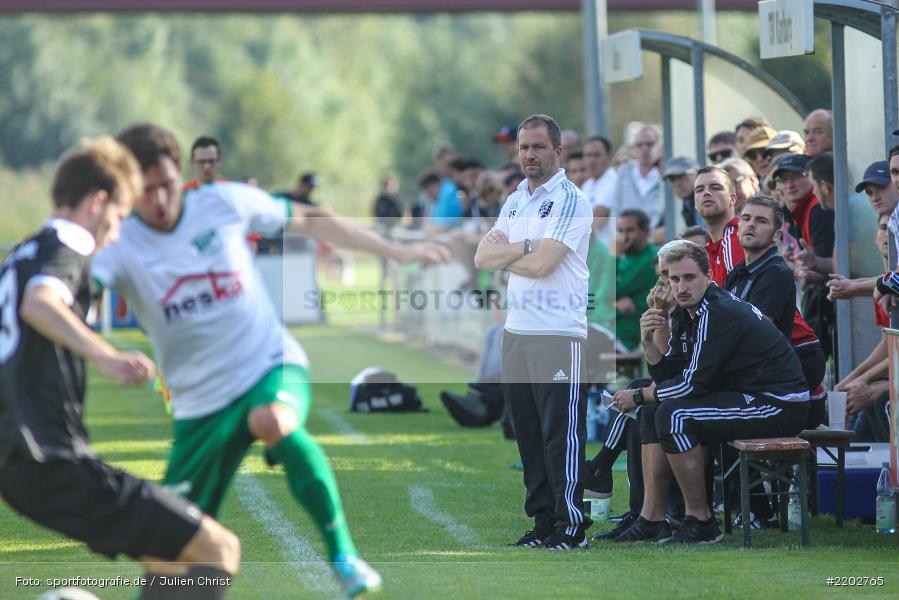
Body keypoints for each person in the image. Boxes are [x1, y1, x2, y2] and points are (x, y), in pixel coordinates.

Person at [92, 123, 448, 596]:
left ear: (180, 172)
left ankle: (342, 555)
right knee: (166, 559)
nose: (159, 200)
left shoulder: (223, 202)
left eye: (166, 185)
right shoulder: (118, 242)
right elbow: (71, 298)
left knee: (271, 420)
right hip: (199, 405)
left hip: (268, 364)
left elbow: (311, 218)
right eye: (146, 190)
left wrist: (397, 251)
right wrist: (97, 351)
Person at [0, 138, 240, 600]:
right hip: (52, 460)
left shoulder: (18, 259)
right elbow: (40, 303)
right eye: (118, 216)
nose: (116, 233)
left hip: (22, 463)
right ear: (97, 202)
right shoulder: (68, 241)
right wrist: (106, 356)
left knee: (170, 564)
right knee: (218, 549)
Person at [611, 240, 809, 544]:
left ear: (708, 276)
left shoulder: (718, 310)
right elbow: (670, 376)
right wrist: (649, 342)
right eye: (674, 279)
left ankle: (700, 521)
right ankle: (651, 518)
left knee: (673, 414)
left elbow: (691, 385)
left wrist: (637, 398)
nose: (681, 286)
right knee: (655, 406)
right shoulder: (687, 312)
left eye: (689, 278)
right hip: (744, 396)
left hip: (777, 403)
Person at [474, 114, 593, 550]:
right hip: (516, 331)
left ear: (558, 152)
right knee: (526, 433)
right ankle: (544, 523)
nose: (530, 155)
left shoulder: (570, 199)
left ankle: (572, 526)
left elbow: (545, 265)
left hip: (559, 333)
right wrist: (525, 247)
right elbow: (480, 258)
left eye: (539, 147)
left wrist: (509, 253)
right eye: (524, 147)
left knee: (560, 433)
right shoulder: (515, 199)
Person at [606, 127, 664, 241]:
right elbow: (615, 208)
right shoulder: (624, 172)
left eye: (650, 144)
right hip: (627, 243)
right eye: (640, 145)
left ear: (659, 147)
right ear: (634, 149)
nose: (645, 149)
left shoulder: (663, 175)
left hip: (656, 244)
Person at [613, 209, 658, 351]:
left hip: (631, 336)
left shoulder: (653, 258)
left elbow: (611, 290)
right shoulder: (624, 258)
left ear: (646, 231)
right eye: (620, 231)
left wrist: (614, 256)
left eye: (629, 230)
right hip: (614, 330)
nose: (623, 237)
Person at [582, 136, 618, 245]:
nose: (592, 160)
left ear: (609, 157)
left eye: (597, 155)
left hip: (608, 253)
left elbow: (597, 220)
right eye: (588, 155)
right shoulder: (587, 185)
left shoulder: (614, 181)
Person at [662, 155, 699, 228]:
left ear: (697, 174)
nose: (677, 183)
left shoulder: (707, 199)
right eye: (672, 179)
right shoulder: (688, 203)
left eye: (682, 176)